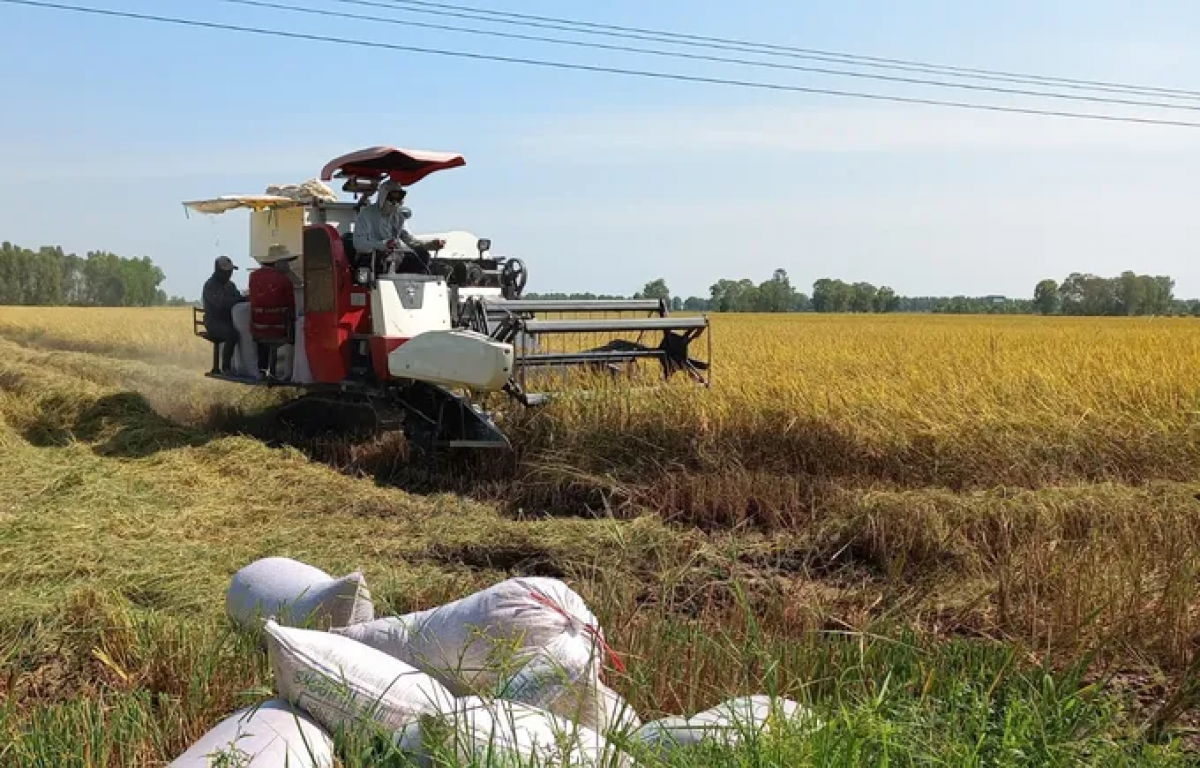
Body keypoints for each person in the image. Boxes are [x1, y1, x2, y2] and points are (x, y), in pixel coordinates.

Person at [353, 179, 444, 274]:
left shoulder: (399, 217)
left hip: (394, 258)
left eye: (398, 198)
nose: (395, 202)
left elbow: (410, 241)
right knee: (381, 258)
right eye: (392, 197)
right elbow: (359, 244)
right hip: (370, 259)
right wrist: (383, 245)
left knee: (422, 254)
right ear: (383, 196)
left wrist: (429, 245)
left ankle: (414, 284)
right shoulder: (366, 214)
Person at [202, 255, 248, 373]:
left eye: (231, 271)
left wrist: (247, 298)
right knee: (232, 335)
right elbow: (220, 305)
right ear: (218, 271)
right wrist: (237, 300)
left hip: (228, 321)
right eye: (227, 272)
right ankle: (226, 367)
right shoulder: (210, 286)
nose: (230, 274)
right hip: (214, 322)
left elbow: (237, 297)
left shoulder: (230, 285)